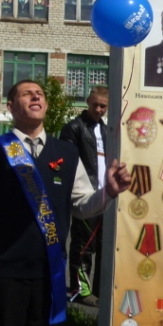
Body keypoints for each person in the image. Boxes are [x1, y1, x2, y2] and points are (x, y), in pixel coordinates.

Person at [0, 80, 132, 326]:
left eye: (39, 93)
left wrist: (108, 192)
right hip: (7, 274)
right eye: (26, 93)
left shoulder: (66, 152)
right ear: (11, 107)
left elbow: (82, 205)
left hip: (50, 275)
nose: (36, 96)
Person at [59, 86, 108, 305]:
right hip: (85, 196)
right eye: (95, 104)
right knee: (83, 245)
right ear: (88, 101)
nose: (98, 109)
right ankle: (80, 290)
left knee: (104, 246)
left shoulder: (107, 130)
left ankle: (100, 289)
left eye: (103, 106)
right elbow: (67, 162)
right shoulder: (73, 128)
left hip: (106, 196)